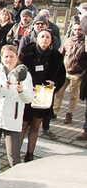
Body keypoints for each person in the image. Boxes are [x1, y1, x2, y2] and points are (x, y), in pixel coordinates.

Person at [0, 45, 34, 179]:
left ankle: (15, 181)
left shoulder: (24, 74)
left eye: (12, 56)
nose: (9, 59)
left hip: (12, 119)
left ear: (17, 57)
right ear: (1, 58)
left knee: (13, 156)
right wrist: (0, 84)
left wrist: (21, 90)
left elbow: (29, 98)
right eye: (6, 56)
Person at [19, 30, 66, 161]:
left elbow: (62, 76)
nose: (44, 39)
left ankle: (30, 154)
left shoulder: (56, 57)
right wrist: (27, 84)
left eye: (47, 37)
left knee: (35, 126)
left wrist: (54, 83)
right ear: (36, 38)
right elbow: (19, 72)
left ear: (51, 40)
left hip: (44, 95)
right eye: (42, 37)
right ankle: (16, 152)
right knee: (23, 124)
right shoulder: (27, 54)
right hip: (29, 93)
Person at [54, 23, 85, 125]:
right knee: (59, 92)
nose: (77, 31)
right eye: (75, 29)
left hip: (77, 73)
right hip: (65, 70)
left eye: (79, 29)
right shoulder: (69, 40)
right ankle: (54, 111)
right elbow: (61, 54)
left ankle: (69, 113)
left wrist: (83, 71)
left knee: (73, 95)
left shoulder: (86, 42)